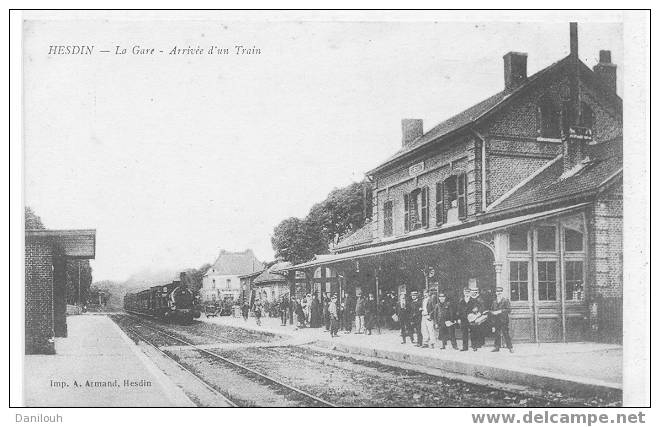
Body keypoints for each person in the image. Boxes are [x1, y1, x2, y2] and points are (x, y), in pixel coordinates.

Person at [490, 287, 514, 353]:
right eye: (497, 291)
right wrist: (493, 313)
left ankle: (510, 347)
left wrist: (500, 311)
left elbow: (509, 310)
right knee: (497, 334)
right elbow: (492, 310)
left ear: (502, 292)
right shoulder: (494, 302)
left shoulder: (505, 300)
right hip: (496, 321)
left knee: (506, 334)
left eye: (500, 291)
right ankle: (497, 347)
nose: (499, 293)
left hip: (504, 320)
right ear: (495, 293)